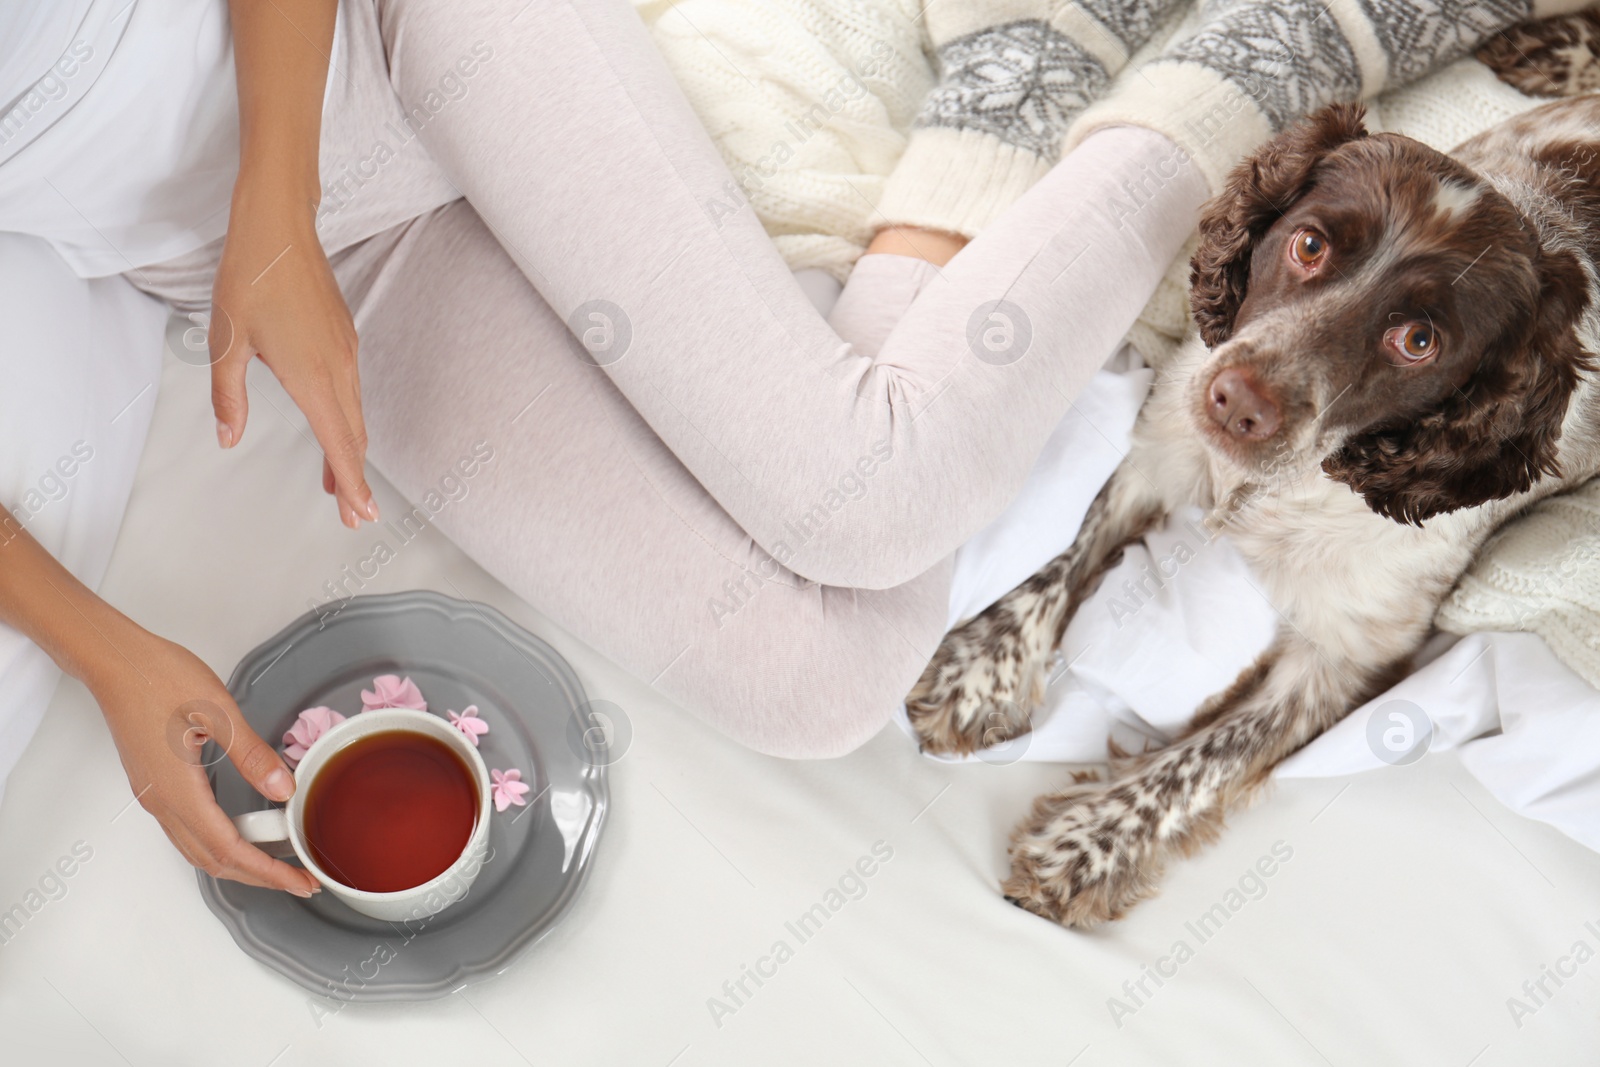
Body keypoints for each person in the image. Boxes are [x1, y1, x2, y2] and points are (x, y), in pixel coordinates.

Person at [0, 0, 1579, 894]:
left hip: (394, 38)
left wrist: (273, 190)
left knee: (873, 495)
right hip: (297, 269)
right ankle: (1007, 94)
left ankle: (1266, 55)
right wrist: (108, 652)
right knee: (822, 689)